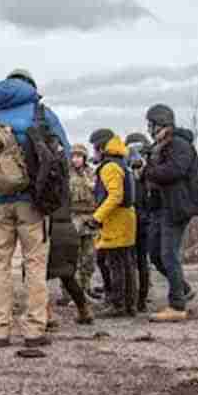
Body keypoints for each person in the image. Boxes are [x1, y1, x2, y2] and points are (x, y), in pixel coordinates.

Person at [0, 68, 70, 348]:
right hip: (32, 203)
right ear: (30, 86)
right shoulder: (41, 113)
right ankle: (34, 330)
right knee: (35, 263)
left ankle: (0, 330)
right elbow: (65, 154)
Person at [143, 104, 198, 322]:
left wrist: (147, 171)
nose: (149, 129)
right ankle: (184, 289)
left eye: (151, 124)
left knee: (169, 255)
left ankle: (177, 305)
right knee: (156, 254)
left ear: (161, 123)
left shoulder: (180, 144)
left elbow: (174, 170)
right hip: (160, 207)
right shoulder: (160, 146)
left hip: (176, 207)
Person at [88, 129, 138, 318]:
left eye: (95, 148)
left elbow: (115, 196)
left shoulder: (109, 167)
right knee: (125, 263)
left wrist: (97, 217)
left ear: (101, 147)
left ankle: (117, 304)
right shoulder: (121, 163)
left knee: (114, 263)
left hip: (116, 221)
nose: (94, 153)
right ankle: (129, 304)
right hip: (125, 218)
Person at [47, 201, 95, 325]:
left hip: (51, 230)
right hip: (69, 229)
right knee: (68, 276)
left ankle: (46, 314)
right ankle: (84, 310)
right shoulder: (63, 185)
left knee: (36, 275)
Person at [65, 143, 99, 305]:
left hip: (90, 219)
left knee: (89, 258)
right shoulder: (66, 175)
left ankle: (85, 289)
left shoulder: (91, 173)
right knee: (73, 258)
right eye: (74, 156)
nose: (76, 159)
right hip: (73, 218)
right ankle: (71, 293)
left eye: (79, 156)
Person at [125, 133, 154, 313]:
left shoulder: (146, 173)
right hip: (140, 219)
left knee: (136, 261)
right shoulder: (147, 170)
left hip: (139, 220)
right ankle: (138, 298)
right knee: (138, 261)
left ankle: (139, 299)